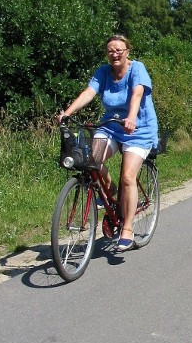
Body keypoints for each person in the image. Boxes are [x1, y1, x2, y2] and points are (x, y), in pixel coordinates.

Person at [58, 35, 159, 252]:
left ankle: (128, 229)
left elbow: (137, 94)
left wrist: (131, 117)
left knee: (128, 177)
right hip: (112, 126)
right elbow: (89, 93)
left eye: (119, 50)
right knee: (91, 160)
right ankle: (110, 188)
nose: (114, 54)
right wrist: (67, 113)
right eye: (110, 51)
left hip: (138, 129)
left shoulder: (137, 69)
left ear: (127, 51)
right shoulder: (103, 72)